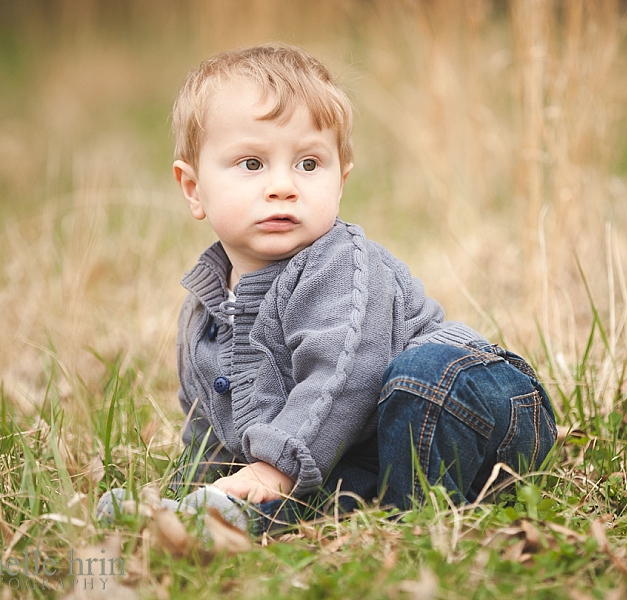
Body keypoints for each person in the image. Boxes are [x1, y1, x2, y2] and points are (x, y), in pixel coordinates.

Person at [97, 43, 556, 535]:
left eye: (309, 164)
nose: (283, 186)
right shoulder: (207, 306)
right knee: (319, 492)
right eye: (252, 164)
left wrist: (273, 467)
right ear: (193, 188)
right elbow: (211, 426)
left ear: (340, 180)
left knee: (420, 376)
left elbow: (340, 379)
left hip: (479, 403)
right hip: (363, 450)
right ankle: (193, 523)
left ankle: (413, 529)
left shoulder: (339, 265)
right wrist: (195, 491)